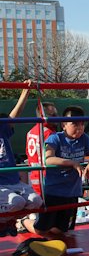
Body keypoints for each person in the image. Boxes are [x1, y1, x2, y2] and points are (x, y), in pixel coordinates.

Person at [21, 106, 89, 236]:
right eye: (75, 124)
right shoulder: (55, 138)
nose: (79, 128)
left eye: (82, 124)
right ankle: (24, 221)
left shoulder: (84, 138)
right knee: (41, 230)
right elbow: (48, 159)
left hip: (72, 193)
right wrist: (72, 163)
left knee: (62, 230)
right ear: (64, 125)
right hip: (53, 192)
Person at [0, 80, 44, 237]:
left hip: (13, 181)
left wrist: (26, 91)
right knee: (16, 202)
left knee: (36, 201)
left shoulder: (1, 128)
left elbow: (15, 115)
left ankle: (9, 220)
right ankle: (4, 221)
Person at [26, 102, 59, 195]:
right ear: (43, 116)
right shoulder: (49, 133)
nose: (57, 117)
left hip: (34, 177)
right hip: (47, 178)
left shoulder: (30, 132)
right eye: (53, 115)